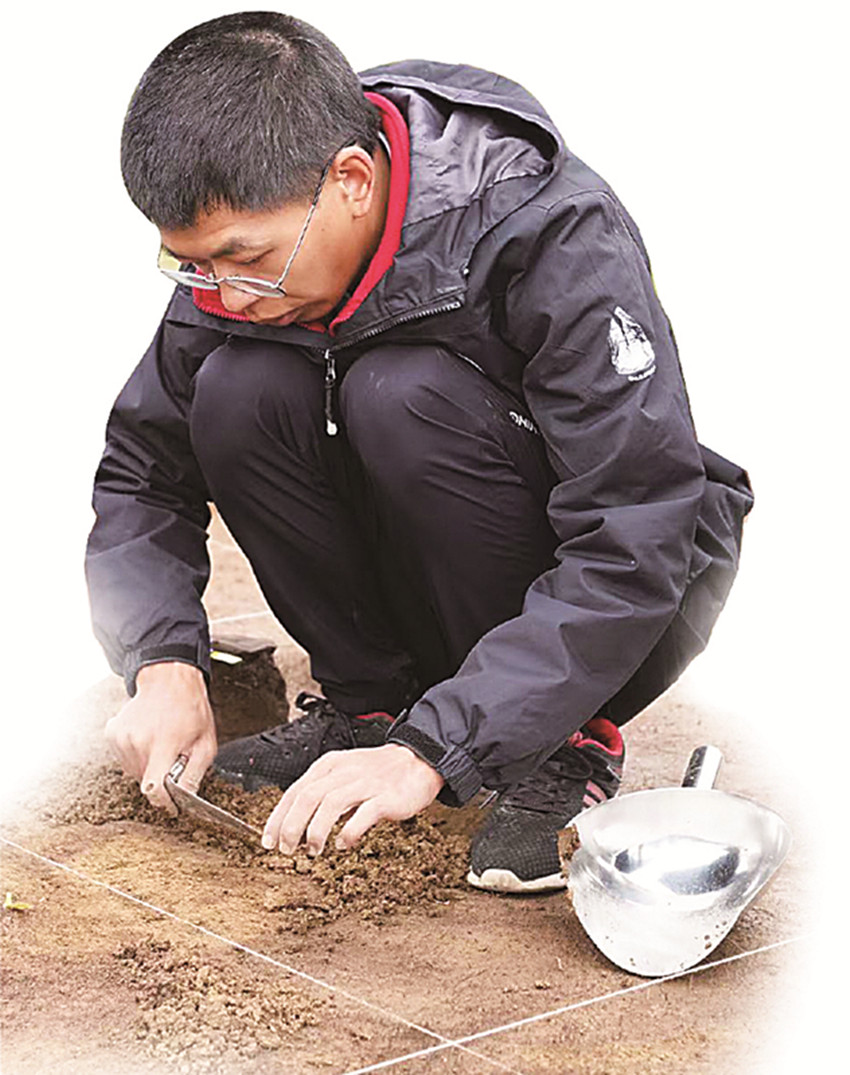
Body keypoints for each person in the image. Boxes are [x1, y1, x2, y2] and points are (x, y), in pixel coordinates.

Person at [87, 11, 753, 894]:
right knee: (238, 388)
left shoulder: (547, 231)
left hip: (616, 603)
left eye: (243, 259)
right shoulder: (243, 269)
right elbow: (144, 468)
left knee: (399, 392)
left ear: (352, 180)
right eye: (192, 265)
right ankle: (368, 712)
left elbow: (634, 532)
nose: (225, 293)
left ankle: (560, 737)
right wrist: (160, 660)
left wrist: (438, 748)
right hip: (420, 581)